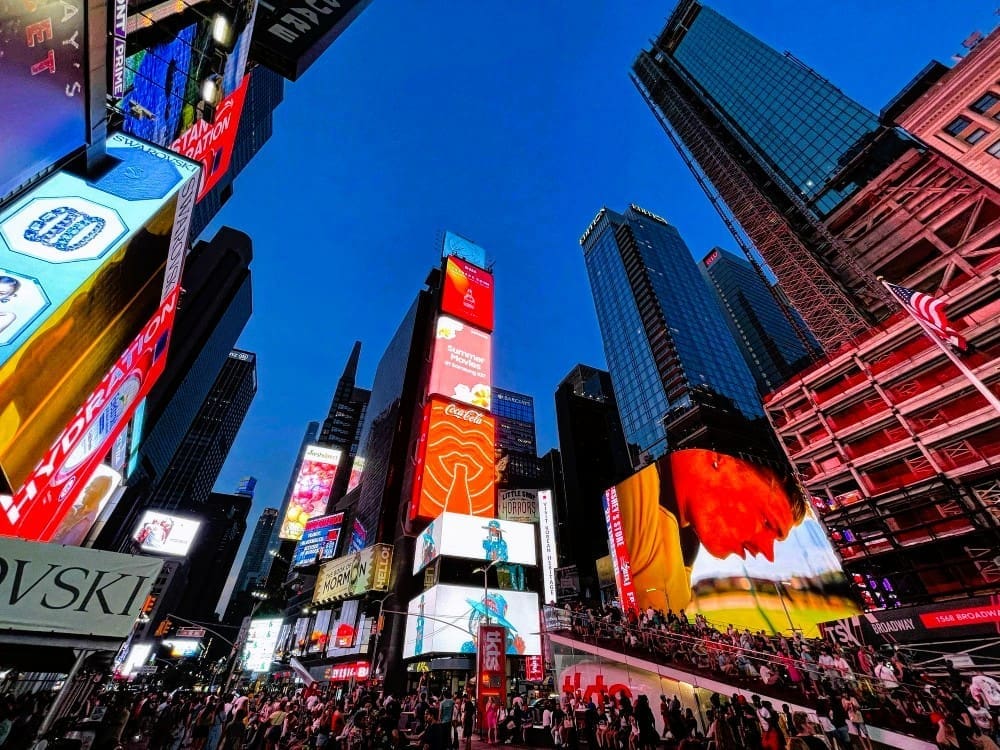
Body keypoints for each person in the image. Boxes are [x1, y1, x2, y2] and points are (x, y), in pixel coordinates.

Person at [612, 449, 805, 614]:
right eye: (767, 522)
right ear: (723, 462)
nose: (767, 553)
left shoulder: (687, 548)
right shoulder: (641, 494)